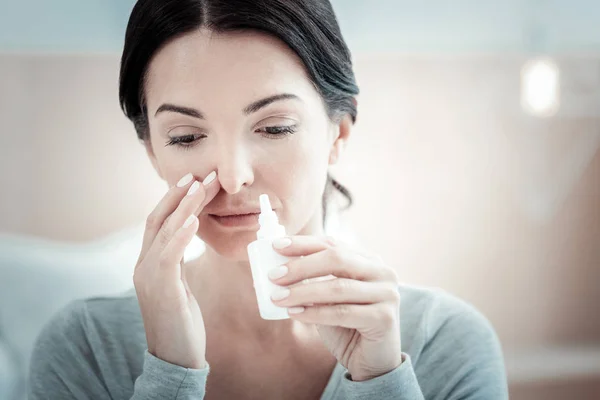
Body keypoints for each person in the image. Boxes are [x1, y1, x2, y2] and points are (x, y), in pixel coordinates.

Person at [27, 0, 509, 399]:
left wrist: (382, 383)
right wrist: (170, 373)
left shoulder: (446, 344)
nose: (234, 178)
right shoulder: (83, 348)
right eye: (187, 136)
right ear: (152, 150)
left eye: (274, 128)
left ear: (338, 132)